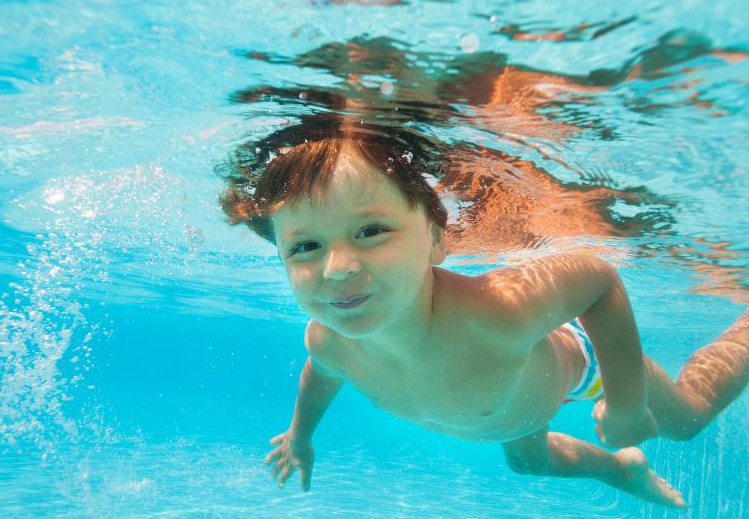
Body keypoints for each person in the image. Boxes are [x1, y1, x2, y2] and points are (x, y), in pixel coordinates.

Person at [219, 122, 749, 508]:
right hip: (513, 407)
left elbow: (598, 279)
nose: (337, 268)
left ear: (436, 239)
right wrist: (299, 436)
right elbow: (320, 378)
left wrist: (628, 403)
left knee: (687, 420)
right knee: (526, 462)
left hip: (579, 365)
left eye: (370, 230)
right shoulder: (328, 340)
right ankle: (621, 471)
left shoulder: (500, 313)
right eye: (305, 246)